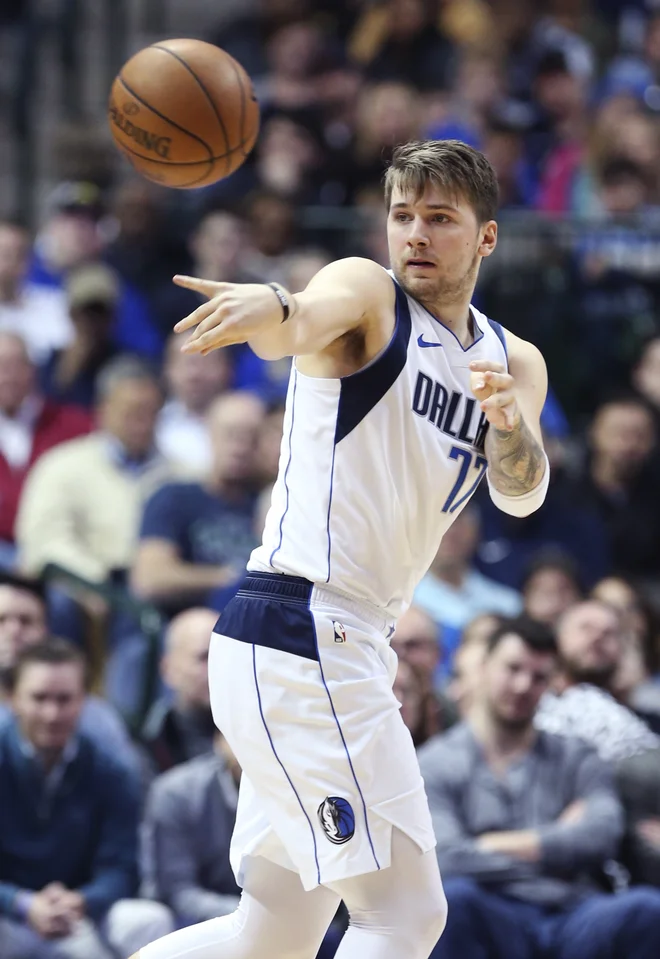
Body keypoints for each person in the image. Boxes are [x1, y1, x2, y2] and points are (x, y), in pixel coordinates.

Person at [130, 139, 550, 959]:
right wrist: (271, 311)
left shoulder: (513, 361)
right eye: (402, 216)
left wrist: (509, 426)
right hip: (299, 629)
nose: (415, 234)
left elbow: (522, 493)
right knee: (405, 915)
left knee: (274, 935)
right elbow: (304, 317)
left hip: (333, 645)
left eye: (439, 218)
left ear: (486, 238)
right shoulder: (368, 292)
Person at [419, 616, 660, 959]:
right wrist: (559, 839)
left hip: (574, 914)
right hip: (489, 909)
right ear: (484, 666)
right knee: (454, 900)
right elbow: (444, 858)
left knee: (645, 910)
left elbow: (602, 834)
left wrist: (489, 844)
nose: (522, 685)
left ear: (553, 682)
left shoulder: (578, 756)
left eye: (538, 677)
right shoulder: (435, 762)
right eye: (513, 668)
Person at [0, 639, 174, 958]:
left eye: (64, 699)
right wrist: (22, 903)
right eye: (39, 698)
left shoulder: (111, 768)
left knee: (150, 921)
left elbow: (121, 868)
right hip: (8, 915)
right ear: (12, 698)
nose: (52, 713)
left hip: (77, 913)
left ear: (85, 700)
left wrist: (80, 901)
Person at [0, 331, 91, 559]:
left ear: (33, 369)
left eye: (15, 365)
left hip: (59, 548)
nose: (7, 377)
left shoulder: (74, 425)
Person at [140, 608, 218, 781]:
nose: (217, 667)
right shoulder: (151, 745)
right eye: (204, 657)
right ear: (169, 669)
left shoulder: (256, 730)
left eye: (223, 656)